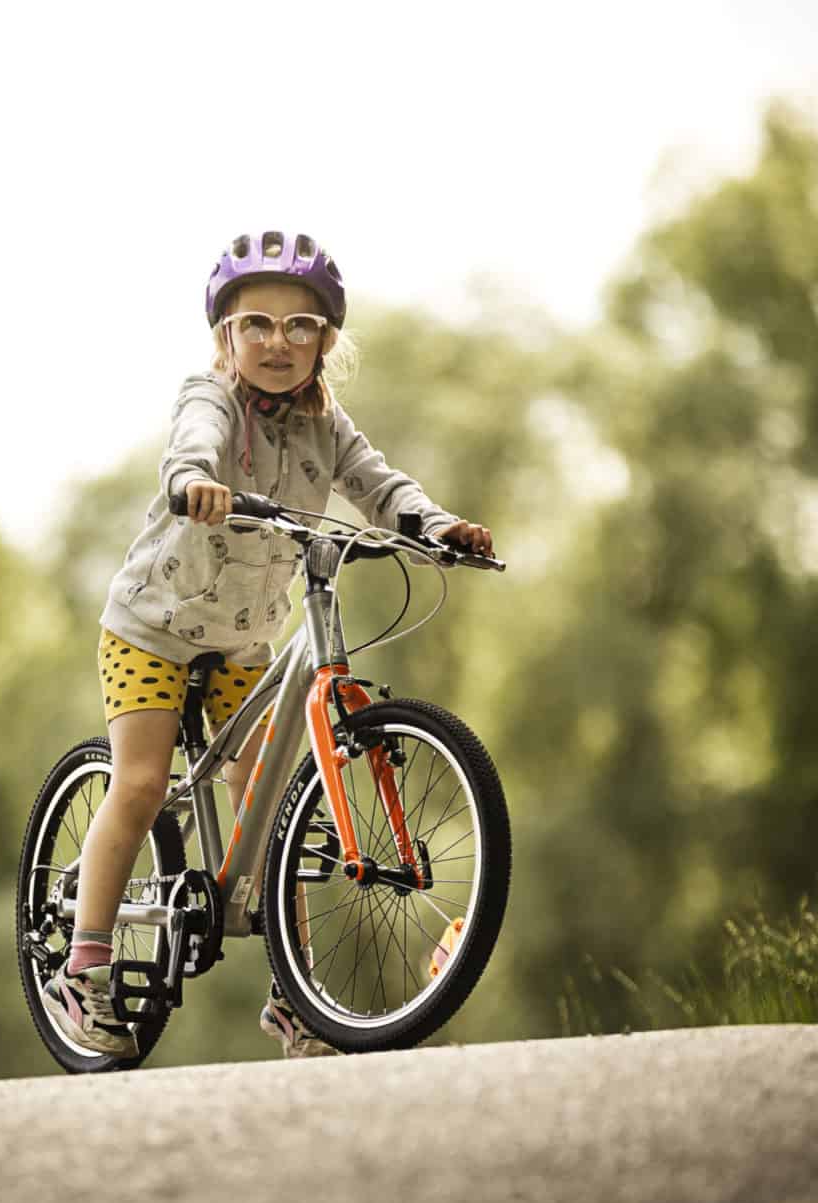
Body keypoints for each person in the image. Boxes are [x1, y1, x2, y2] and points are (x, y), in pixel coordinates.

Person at [40, 230, 494, 1061]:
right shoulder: (212, 399)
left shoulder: (329, 426)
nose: (277, 343)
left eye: (300, 327)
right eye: (256, 324)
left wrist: (435, 526)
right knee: (141, 784)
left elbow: (379, 485)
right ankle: (84, 966)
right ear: (225, 338)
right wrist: (194, 482)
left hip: (245, 637)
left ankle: (295, 997)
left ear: (327, 340)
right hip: (154, 626)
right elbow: (194, 442)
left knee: (275, 802)